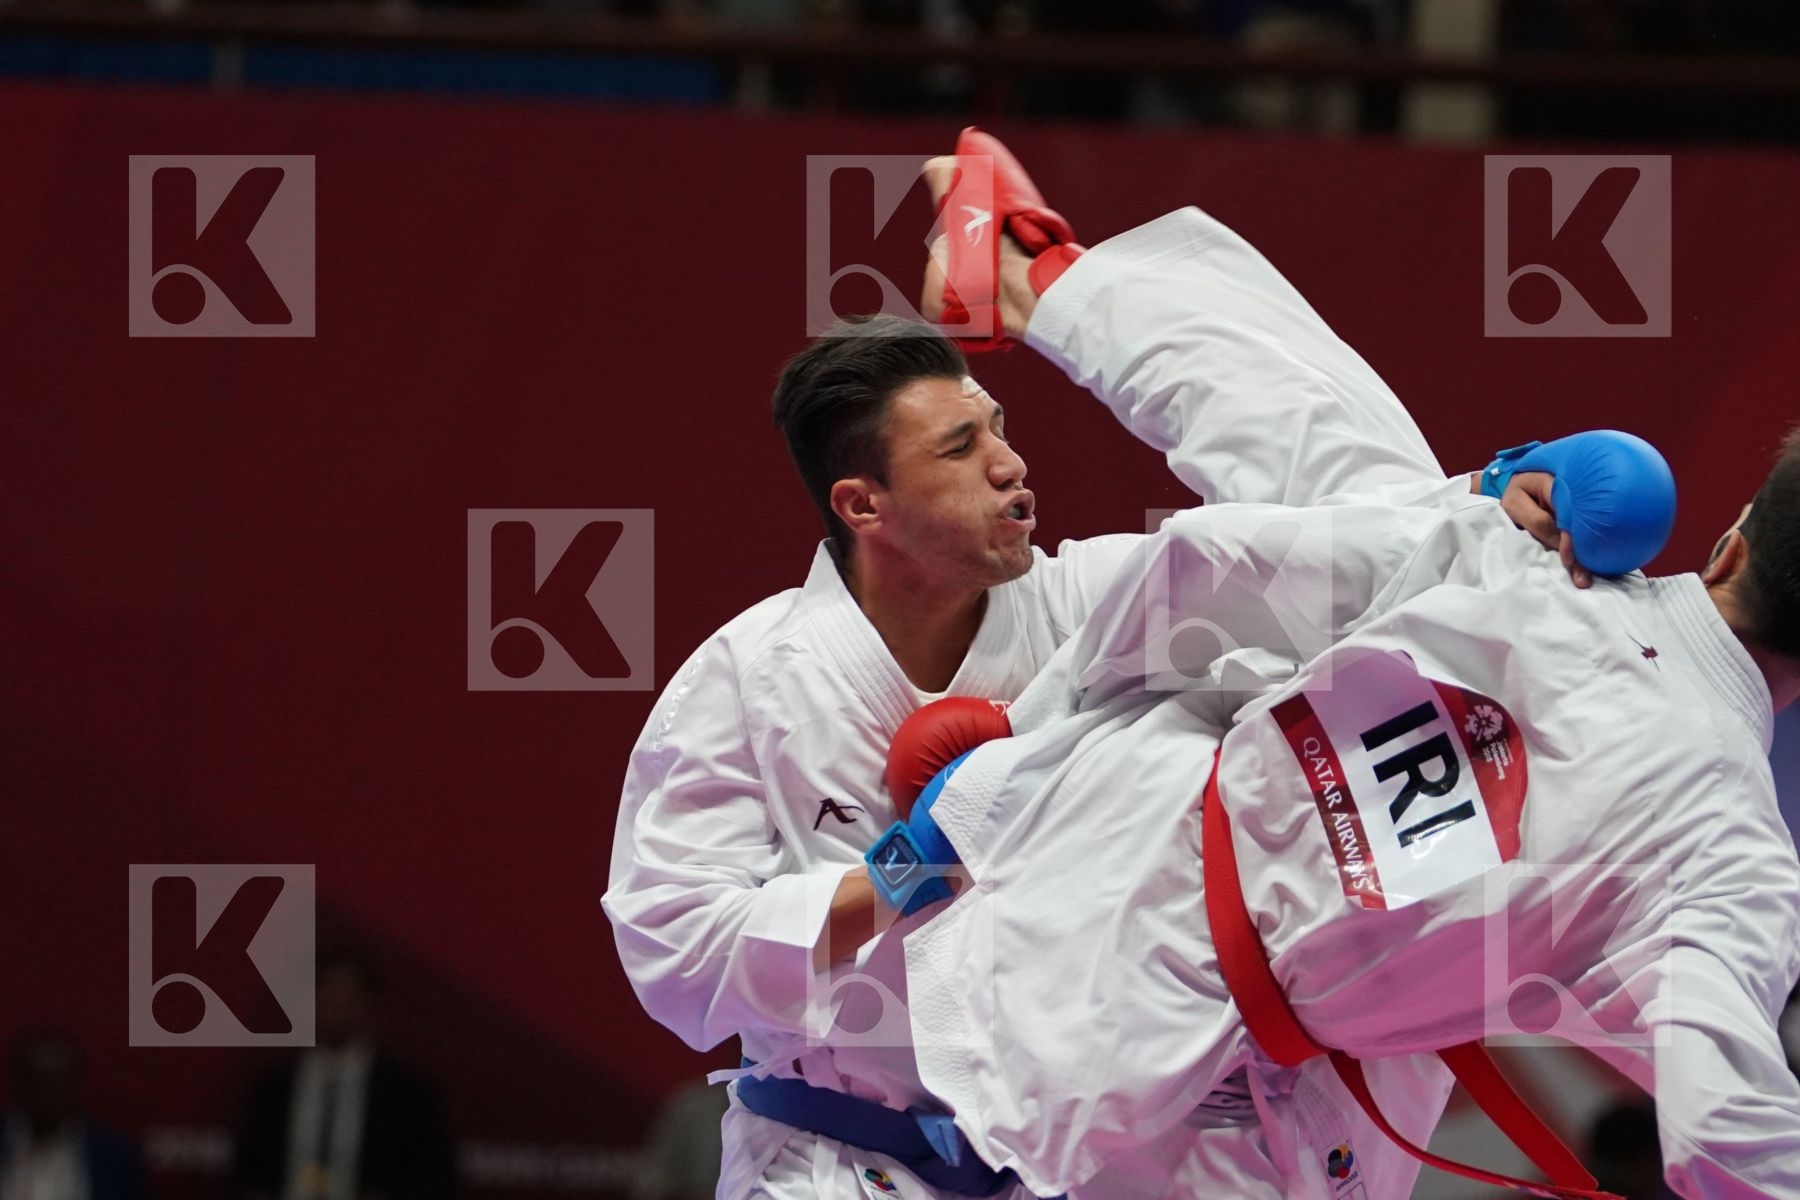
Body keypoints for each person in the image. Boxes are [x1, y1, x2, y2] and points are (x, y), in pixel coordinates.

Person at [601, 130, 1662, 1200]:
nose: (1012, 463)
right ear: (862, 505)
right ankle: (1038, 279)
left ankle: (1046, 284)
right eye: (961, 451)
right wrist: (903, 873)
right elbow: (672, 951)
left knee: (1326, 557)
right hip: (844, 1158)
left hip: (1087, 1160)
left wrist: (1476, 505)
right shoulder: (752, 679)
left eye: (1000, 427)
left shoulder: (1092, 609)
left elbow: (1309, 548)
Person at [898, 429, 1800, 1199]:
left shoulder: (1526, 546)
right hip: (1210, 1097)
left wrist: (1042, 726)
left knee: (848, 1070)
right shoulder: (1734, 859)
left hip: (1074, 847)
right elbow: (1725, 1126)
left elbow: (1204, 560)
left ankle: (1026, 263)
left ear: (1729, 548)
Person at [232, 946, 456, 1200]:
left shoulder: (407, 1093)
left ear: (370, 1003)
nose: (336, 1005)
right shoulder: (273, 1088)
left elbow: (433, 1178)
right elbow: (248, 1174)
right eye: (325, 994)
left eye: (347, 995)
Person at [0, 1030, 147, 1200]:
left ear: (76, 1086)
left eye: (60, 1084)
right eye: (40, 1082)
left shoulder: (113, 1155)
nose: (50, 1095)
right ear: (20, 1085)